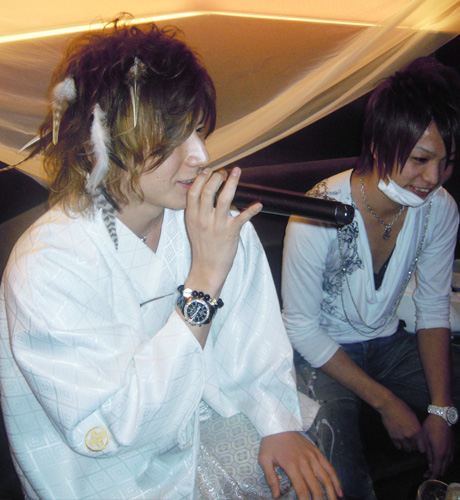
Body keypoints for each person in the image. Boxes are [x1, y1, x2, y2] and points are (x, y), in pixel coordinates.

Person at [0, 16, 343, 500]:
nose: (200, 156)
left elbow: (254, 339)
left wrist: (276, 421)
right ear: (101, 143)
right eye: (172, 138)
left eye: (198, 131)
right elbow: (114, 426)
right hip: (108, 470)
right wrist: (204, 279)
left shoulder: (209, 218)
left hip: (204, 419)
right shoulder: (47, 263)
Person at [282, 56, 460, 500]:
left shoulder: (439, 209)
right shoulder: (317, 211)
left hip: (389, 343)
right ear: (380, 145)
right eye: (420, 159)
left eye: (446, 162)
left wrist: (441, 410)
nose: (433, 178)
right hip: (323, 354)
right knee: (336, 477)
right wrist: (386, 402)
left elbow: (432, 306)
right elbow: (300, 327)